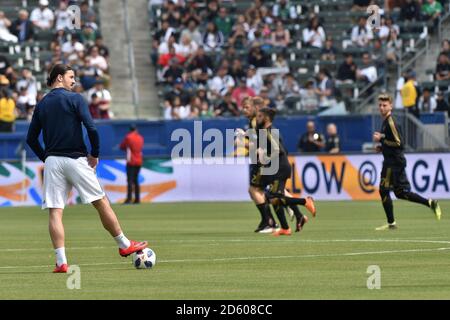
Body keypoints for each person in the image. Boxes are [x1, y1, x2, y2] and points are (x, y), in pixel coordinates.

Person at [26, 64, 148, 273]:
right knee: (100, 202)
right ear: (59, 78)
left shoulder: (42, 103)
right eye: (71, 77)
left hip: (53, 161)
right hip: (76, 159)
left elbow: (31, 139)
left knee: (55, 212)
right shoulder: (75, 99)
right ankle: (124, 245)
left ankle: (61, 262)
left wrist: (46, 158)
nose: (74, 81)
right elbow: (91, 128)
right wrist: (95, 153)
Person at [372, 94, 441, 231]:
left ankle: (391, 223)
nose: (381, 107)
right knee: (400, 193)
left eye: (384, 105)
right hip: (394, 161)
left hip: (393, 163)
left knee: (383, 190)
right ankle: (430, 203)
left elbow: (399, 143)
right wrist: (383, 147)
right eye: (380, 105)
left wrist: (381, 139)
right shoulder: (386, 121)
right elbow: (393, 142)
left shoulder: (391, 121)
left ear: (391, 106)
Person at [255, 107, 316, 236]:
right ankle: (285, 228)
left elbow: (279, 151)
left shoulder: (268, 132)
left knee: (274, 197)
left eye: (260, 116)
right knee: (273, 198)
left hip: (280, 168)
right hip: (277, 167)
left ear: (266, 118)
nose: (257, 119)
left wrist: (264, 157)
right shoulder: (267, 131)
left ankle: (305, 202)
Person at [120, 124, 144, 204]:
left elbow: (122, 146)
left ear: (130, 130)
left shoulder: (128, 137)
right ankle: (137, 199)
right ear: (136, 129)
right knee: (136, 180)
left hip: (131, 161)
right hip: (139, 160)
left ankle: (129, 199)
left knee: (130, 180)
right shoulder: (140, 137)